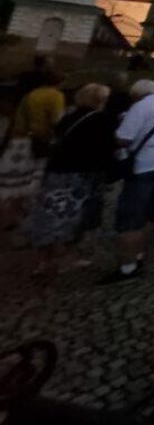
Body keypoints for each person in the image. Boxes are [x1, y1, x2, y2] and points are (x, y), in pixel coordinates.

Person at [25, 83, 117, 275]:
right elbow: (106, 150)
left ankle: (43, 260)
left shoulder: (68, 118)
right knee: (76, 218)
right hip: (83, 176)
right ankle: (66, 258)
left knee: (49, 215)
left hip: (57, 172)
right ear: (100, 100)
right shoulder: (103, 120)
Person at [100, 80, 154, 284]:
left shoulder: (140, 106)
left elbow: (123, 138)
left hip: (145, 164)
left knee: (130, 217)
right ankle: (138, 255)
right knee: (150, 214)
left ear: (136, 95)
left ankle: (127, 268)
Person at [0, 69, 65, 229]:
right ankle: (11, 218)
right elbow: (57, 121)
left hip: (17, 139)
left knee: (10, 182)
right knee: (27, 183)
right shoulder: (55, 96)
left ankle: (9, 215)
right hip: (36, 142)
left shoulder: (32, 93)